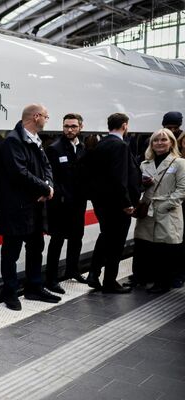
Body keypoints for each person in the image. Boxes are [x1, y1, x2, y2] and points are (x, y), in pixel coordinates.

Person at [0, 104, 60, 311]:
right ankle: (10, 292)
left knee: (35, 248)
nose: (47, 120)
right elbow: (19, 173)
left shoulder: (35, 140)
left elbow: (47, 166)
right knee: (11, 252)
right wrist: (45, 188)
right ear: (36, 116)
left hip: (35, 207)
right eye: (46, 117)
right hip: (15, 208)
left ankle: (34, 287)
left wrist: (48, 186)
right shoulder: (13, 141)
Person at [86, 113, 139, 294]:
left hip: (102, 203)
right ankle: (109, 281)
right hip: (117, 204)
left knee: (105, 236)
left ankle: (93, 273)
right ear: (124, 126)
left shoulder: (101, 144)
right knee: (116, 244)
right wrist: (126, 203)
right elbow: (119, 177)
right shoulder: (120, 145)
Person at [133, 128, 185, 294]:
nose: (159, 143)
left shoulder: (179, 163)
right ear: (151, 144)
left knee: (165, 248)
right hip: (147, 210)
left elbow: (182, 190)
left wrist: (164, 206)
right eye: (156, 140)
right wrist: (142, 186)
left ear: (171, 143)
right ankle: (144, 277)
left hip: (168, 211)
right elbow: (137, 187)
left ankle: (163, 282)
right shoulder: (144, 164)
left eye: (164, 140)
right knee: (146, 245)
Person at [44, 113, 89, 292]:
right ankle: (51, 279)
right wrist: (62, 196)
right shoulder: (54, 149)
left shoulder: (83, 147)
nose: (69, 130)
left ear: (81, 127)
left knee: (77, 238)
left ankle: (73, 270)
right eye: (66, 126)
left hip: (78, 203)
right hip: (60, 206)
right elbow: (50, 177)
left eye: (73, 126)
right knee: (57, 242)